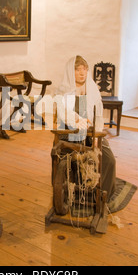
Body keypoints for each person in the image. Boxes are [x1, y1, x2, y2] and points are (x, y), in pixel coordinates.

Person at [56, 55, 117, 201]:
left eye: (85, 69)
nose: (82, 73)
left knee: (109, 160)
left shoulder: (92, 88)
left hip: (91, 133)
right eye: (78, 70)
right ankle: (76, 193)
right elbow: (63, 112)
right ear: (71, 72)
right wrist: (78, 119)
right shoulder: (64, 90)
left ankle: (103, 196)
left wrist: (96, 136)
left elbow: (99, 113)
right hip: (70, 132)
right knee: (75, 161)